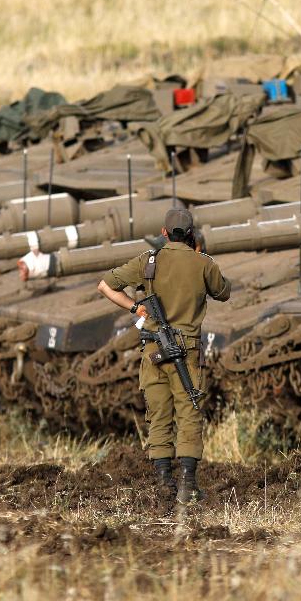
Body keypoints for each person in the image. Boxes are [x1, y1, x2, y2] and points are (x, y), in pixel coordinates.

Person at [96, 208, 231, 506]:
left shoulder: (149, 261)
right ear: (192, 234)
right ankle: (188, 484)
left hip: (153, 349)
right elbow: (224, 292)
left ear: (164, 232)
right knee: (189, 412)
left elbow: (105, 285)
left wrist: (134, 308)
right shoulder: (202, 263)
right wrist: (201, 256)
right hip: (188, 351)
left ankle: (164, 483)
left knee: (158, 416)